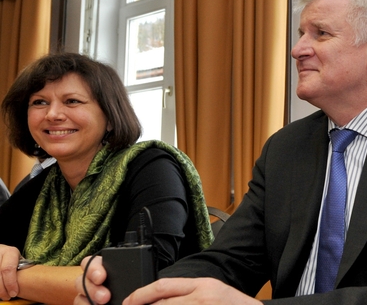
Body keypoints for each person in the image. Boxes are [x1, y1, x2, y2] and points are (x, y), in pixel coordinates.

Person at [77, 0, 367, 304]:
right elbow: (232, 259)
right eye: (300, 34)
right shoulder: (285, 147)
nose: (297, 49)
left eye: (320, 34)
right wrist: (133, 292)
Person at [0, 52, 214, 304]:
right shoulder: (39, 187)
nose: (53, 114)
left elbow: (135, 282)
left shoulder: (152, 167)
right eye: (39, 102)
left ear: (110, 117)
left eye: (72, 101)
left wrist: (16, 276)